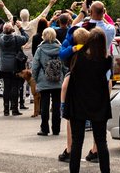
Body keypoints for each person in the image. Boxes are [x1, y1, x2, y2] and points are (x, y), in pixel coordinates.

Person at [63, 28, 113, 173]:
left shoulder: (77, 57)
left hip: (78, 103)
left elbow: (63, 52)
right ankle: (105, 171)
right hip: (98, 104)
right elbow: (113, 76)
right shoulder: (106, 60)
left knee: (77, 142)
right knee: (101, 141)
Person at [31, 26, 64, 136]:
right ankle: (56, 128)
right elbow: (65, 66)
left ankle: (44, 128)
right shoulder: (60, 48)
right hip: (58, 80)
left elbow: (35, 66)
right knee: (56, 105)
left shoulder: (40, 50)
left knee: (44, 105)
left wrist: (35, 79)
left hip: (44, 79)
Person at [0, 20, 28, 116]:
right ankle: (14, 109)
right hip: (15, 65)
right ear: (12, 30)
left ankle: (6, 109)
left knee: (6, 87)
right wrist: (20, 28)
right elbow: (26, 38)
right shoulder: (16, 39)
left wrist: (7, 26)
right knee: (15, 87)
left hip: (4, 66)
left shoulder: (0, 39)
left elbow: (2, 33)